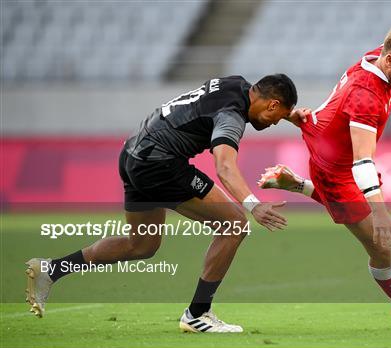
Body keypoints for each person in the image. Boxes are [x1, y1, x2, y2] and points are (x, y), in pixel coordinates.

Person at [25, 74, 304, 333]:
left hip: (133, 154)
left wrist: (291, 116)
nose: (273, 123)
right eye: (275, 118)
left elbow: (253, 104)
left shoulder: (236, 84)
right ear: (272, 104)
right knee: (234, 224)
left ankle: (51, 270)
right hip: (160, 164)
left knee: (141, 245)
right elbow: (225, 168)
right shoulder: (230, 117)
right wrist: (254, 205)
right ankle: (198, 313)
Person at [259, 27, 391, 331]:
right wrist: (380, 213)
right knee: (380, 247)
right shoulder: (367, 97)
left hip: (324, 132)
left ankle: (295, 183)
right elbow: (362, 162)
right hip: (334, 168)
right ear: (390, 61)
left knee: (362, 218)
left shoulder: (381, 56)